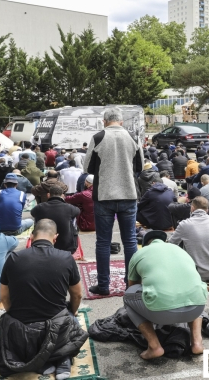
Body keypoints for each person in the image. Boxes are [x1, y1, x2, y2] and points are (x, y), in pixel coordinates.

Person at [0, 219, 88, 379]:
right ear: (55, 237)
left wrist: (14, 316)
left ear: (31, 236)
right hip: (55, 327)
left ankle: (42, 361)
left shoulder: (13, 258)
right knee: (71, 321)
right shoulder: (66, 258)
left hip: (20, 331)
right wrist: (72, 312)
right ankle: (61, 358)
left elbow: (4, 296)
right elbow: (77, 294)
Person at [83, 107, 143, 296]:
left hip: (104, 195)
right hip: (128, 193)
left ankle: (103, 286)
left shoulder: (98, 137)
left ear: (104, 121)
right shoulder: (133, 137)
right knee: (130, 241)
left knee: (103, 242)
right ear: (121, 121)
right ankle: (131, 284)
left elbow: (88, 167)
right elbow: (139, 166)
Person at [124, 230, 208, 359]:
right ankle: (197, 342)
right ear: (165, 241)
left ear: (146, 244)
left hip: (160, 312)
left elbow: (132, 286)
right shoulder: (180, 250)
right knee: (193, 290)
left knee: (128, 297)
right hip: (196, 309)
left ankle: (154, 346)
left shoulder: (139, 253)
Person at [168, 197, 209, 281]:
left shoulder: (184, 224)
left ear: (192, 208)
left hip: (194, 273)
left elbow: (171, 245)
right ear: (207, 210)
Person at [30, 185, 80, 253]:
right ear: (62, 195)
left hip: (43, 245)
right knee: (73, 220)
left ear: (48, 195)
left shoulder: (40, 207)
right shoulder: (70, 208)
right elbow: (78, 211)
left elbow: (32, 213)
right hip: (66, 247)